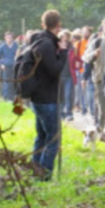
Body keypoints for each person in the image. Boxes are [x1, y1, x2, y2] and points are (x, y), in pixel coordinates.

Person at [28, 10, 68, 179]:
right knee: (53, 137)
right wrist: (64, 52)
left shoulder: (38, 41)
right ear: (58, 25)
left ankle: (34, 169)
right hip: (47, 98)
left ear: (43, 24)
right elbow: (55, 70)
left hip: (38, 97)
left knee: (42, 135)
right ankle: (43, 174)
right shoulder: (47, 45)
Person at [0, 31, 19, 101]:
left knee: (13, 81)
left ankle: (12, 97)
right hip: (6, 66)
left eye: (10, 37)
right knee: (6, 82)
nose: (9, 39)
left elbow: (18, 55)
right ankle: (6, 97)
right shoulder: (2, 46)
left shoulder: (16, 45)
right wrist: (1, 64)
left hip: (14, 65)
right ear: (5, 38)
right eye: (8, 37)